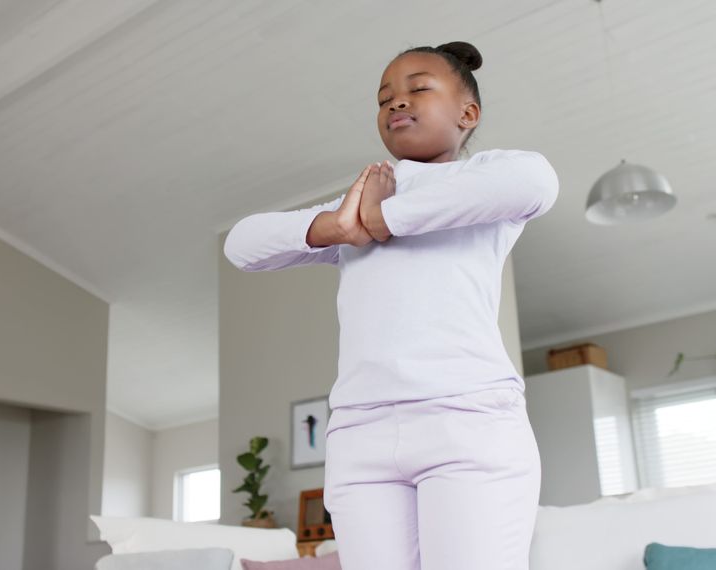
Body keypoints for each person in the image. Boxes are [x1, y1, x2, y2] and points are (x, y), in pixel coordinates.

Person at [223, 41, 559, 570]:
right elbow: (241, 244)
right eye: (384, 99)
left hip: (466, 417)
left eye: (418, 88)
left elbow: (537, 181)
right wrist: (335, 225)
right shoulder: (352, 209)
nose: (396, 103)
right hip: (361, 435)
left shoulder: (481, 182)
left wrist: (386, 218)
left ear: (467, 114)